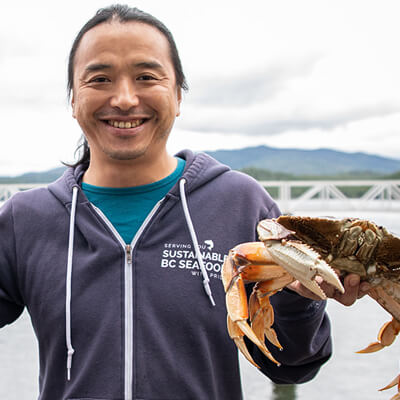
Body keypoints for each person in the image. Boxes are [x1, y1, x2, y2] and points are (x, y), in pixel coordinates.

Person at [0, 5, 367, 400]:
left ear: (177, 95)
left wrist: (300, 301)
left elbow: (295, 365)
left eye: (146, 77)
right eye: (100, 79)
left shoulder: (240, 205)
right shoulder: (26, 220)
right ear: (73, 100)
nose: (124, 99)